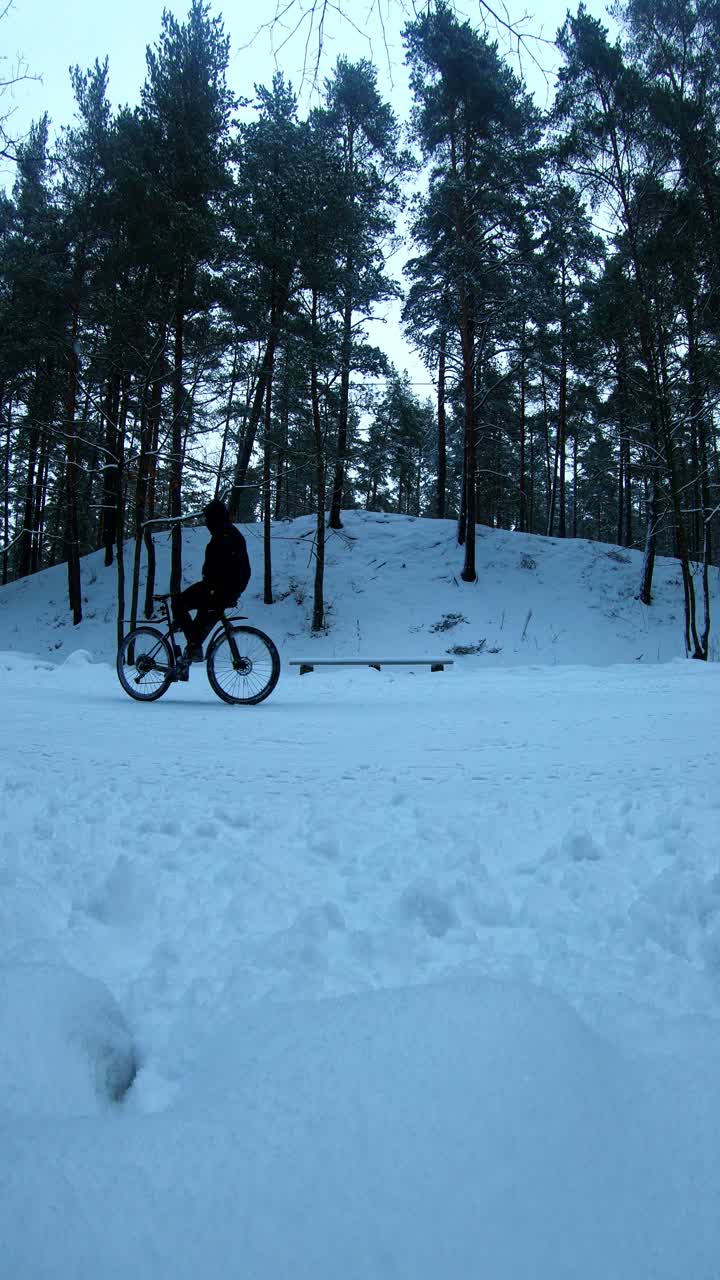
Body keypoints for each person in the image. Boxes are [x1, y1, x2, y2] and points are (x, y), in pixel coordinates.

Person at [172, 499, 251, 663]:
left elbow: (219, 568)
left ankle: (193, 646)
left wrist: (216, 585)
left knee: (179, 603)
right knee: (200, 617)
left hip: (218, 589)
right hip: (223, 589)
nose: (206, 523)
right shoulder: (228, 533)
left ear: (215, 518)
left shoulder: (225, 536)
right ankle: (192, 647)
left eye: (208, 519)